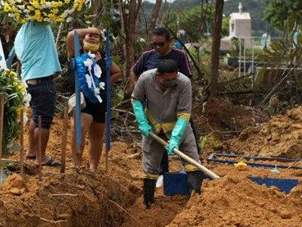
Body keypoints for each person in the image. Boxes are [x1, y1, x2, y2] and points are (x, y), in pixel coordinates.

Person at [131, 59, 203, 209]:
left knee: (192, 161)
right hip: (152, 127)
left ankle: (195, 203)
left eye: (174, 78)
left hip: (178, 126)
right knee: (150, 166)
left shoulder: (184, 83)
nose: (171, 82)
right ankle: (148, 203)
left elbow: (184, 114)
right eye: (167, 80)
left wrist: (175, 138)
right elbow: (136, 100)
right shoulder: (145, 78)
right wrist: (142, 122)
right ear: (158, 76)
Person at [127, 25, 196, 176]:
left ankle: (192, 175)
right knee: (156, 151)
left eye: (161, 44)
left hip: (175, 108)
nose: (157, 47)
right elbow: (134, 71)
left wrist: (176, 136)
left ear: (169, 41)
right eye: (154, 44)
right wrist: (138, 87)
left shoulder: (179, 56)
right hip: (155, 111)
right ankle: (161, 175)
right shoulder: (148, 57)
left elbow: (185, 85)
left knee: (188, 143)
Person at [65, 27, 121, 171]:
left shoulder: (104, 58)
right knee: (80, 128)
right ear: (83, 39)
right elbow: (71, 35)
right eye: (89, 36)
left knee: (97, 134)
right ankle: (76, 164)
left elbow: (117, 72)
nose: (92, 38)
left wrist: (103, 83)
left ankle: (93, 168)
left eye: (96, 37)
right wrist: (90, 30)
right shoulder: (76, 54)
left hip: (101, 100)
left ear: (100, 42)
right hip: (83, 99)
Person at [14, 22, 61, 167]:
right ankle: (41, 157)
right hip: (42, 80)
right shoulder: (39, 25)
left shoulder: (22, 31)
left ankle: (32, 150)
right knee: (44, 120)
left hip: (30, 79)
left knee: (37, 115)